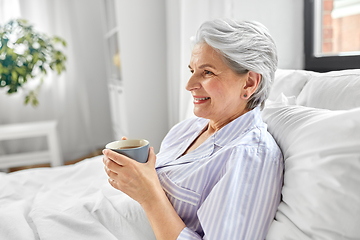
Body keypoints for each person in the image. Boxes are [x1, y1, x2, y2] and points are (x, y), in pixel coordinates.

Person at [102, 18, 283, 240]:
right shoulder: (189, 128)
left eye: (207, 72)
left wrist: (148, 195)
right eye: (192, 70)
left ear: (249, 83)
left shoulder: (250, 156)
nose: (189, 85)